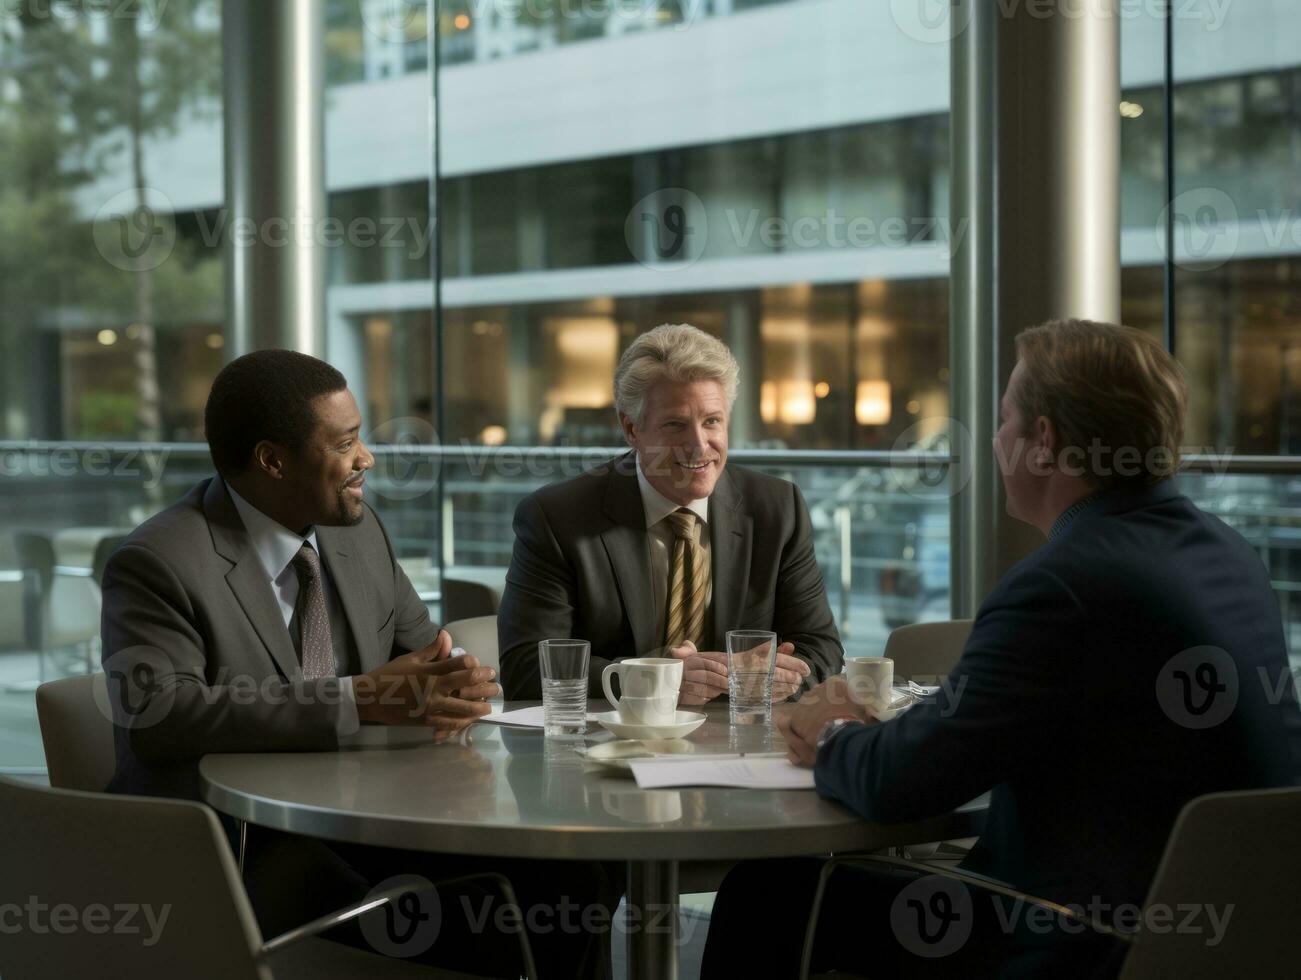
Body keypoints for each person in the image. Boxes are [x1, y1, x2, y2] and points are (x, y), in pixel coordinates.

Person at [703, 318, 1301, 978]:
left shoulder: (1065, 584)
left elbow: (905, 782)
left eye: (1003, 418)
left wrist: (830, 736)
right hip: (1227, 937)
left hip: (1077, 939)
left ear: (1042, 442)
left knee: (767, 896)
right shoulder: (1228, 552)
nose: (993, 439)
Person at [100, 349, 612, 978]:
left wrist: (455, 683)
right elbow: (160, 718)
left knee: (569, 880)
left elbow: (426, 657)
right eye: (345, 442)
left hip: (365, 816)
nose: (367, 457)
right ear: (272, 460)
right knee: (485, 915)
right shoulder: (159, 560)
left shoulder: (356, 529)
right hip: (238, 843)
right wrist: (356, 699)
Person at [498, 322, 843, 705]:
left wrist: (775, 678)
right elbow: (528, 669)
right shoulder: (556, 518)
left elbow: (822, 649)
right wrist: (657, 678)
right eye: (676, 425)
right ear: (631, 428)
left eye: (712, 421)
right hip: (610, 747)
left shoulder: (778, 509)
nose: (699, 447)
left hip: (741, 746)